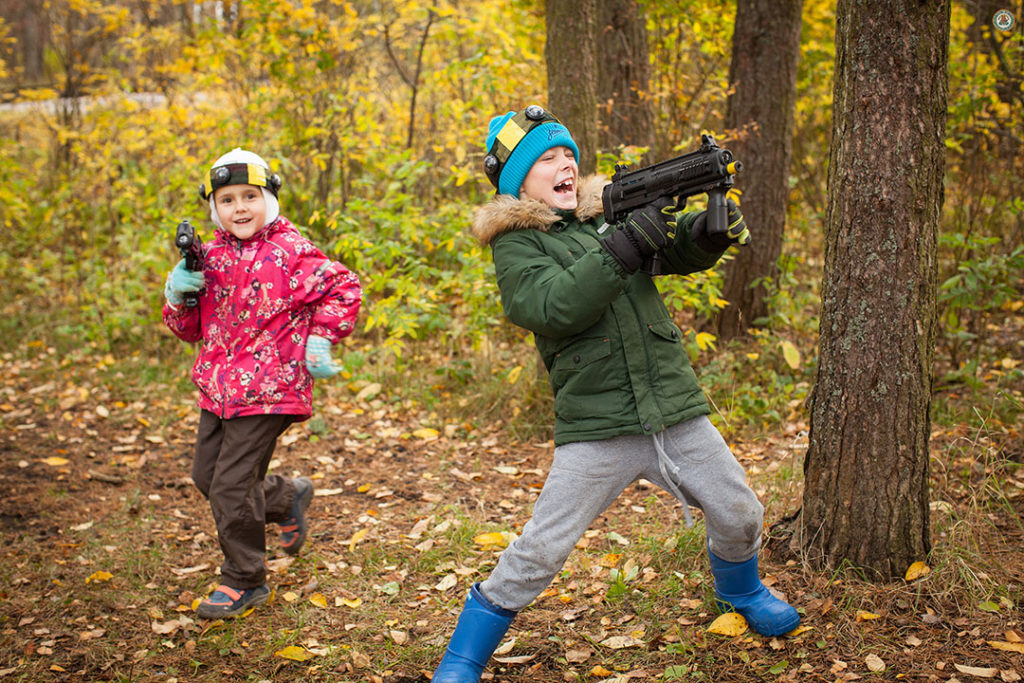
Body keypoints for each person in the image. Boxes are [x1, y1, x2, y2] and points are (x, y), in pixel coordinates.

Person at [431, 107, 799, 682]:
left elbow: (669, 249)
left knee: (739, 511)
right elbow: (551, 307)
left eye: (568, 155)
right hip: (597, 426)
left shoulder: (608, 216)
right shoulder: (517, 246)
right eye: (546, 159)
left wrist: (705, 234)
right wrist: (620, 248)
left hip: (673, 409)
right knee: (542, 548)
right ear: (516, 182)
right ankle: (463, 655)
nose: (564, 165)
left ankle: (743, 591)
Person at [162, 148, 362, 619]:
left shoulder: (289, 252)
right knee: (207, 477)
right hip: (219, 389)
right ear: (215, 208)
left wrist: (320, 339)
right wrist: (179, 296)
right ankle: (284, 497)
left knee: (231, 487)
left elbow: (344, 287)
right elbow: (188, 330)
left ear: (268, 198)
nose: (240, 208)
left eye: (250, 196)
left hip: (273, 389)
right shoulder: (206, 256)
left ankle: (246, 579)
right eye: (227, 200)